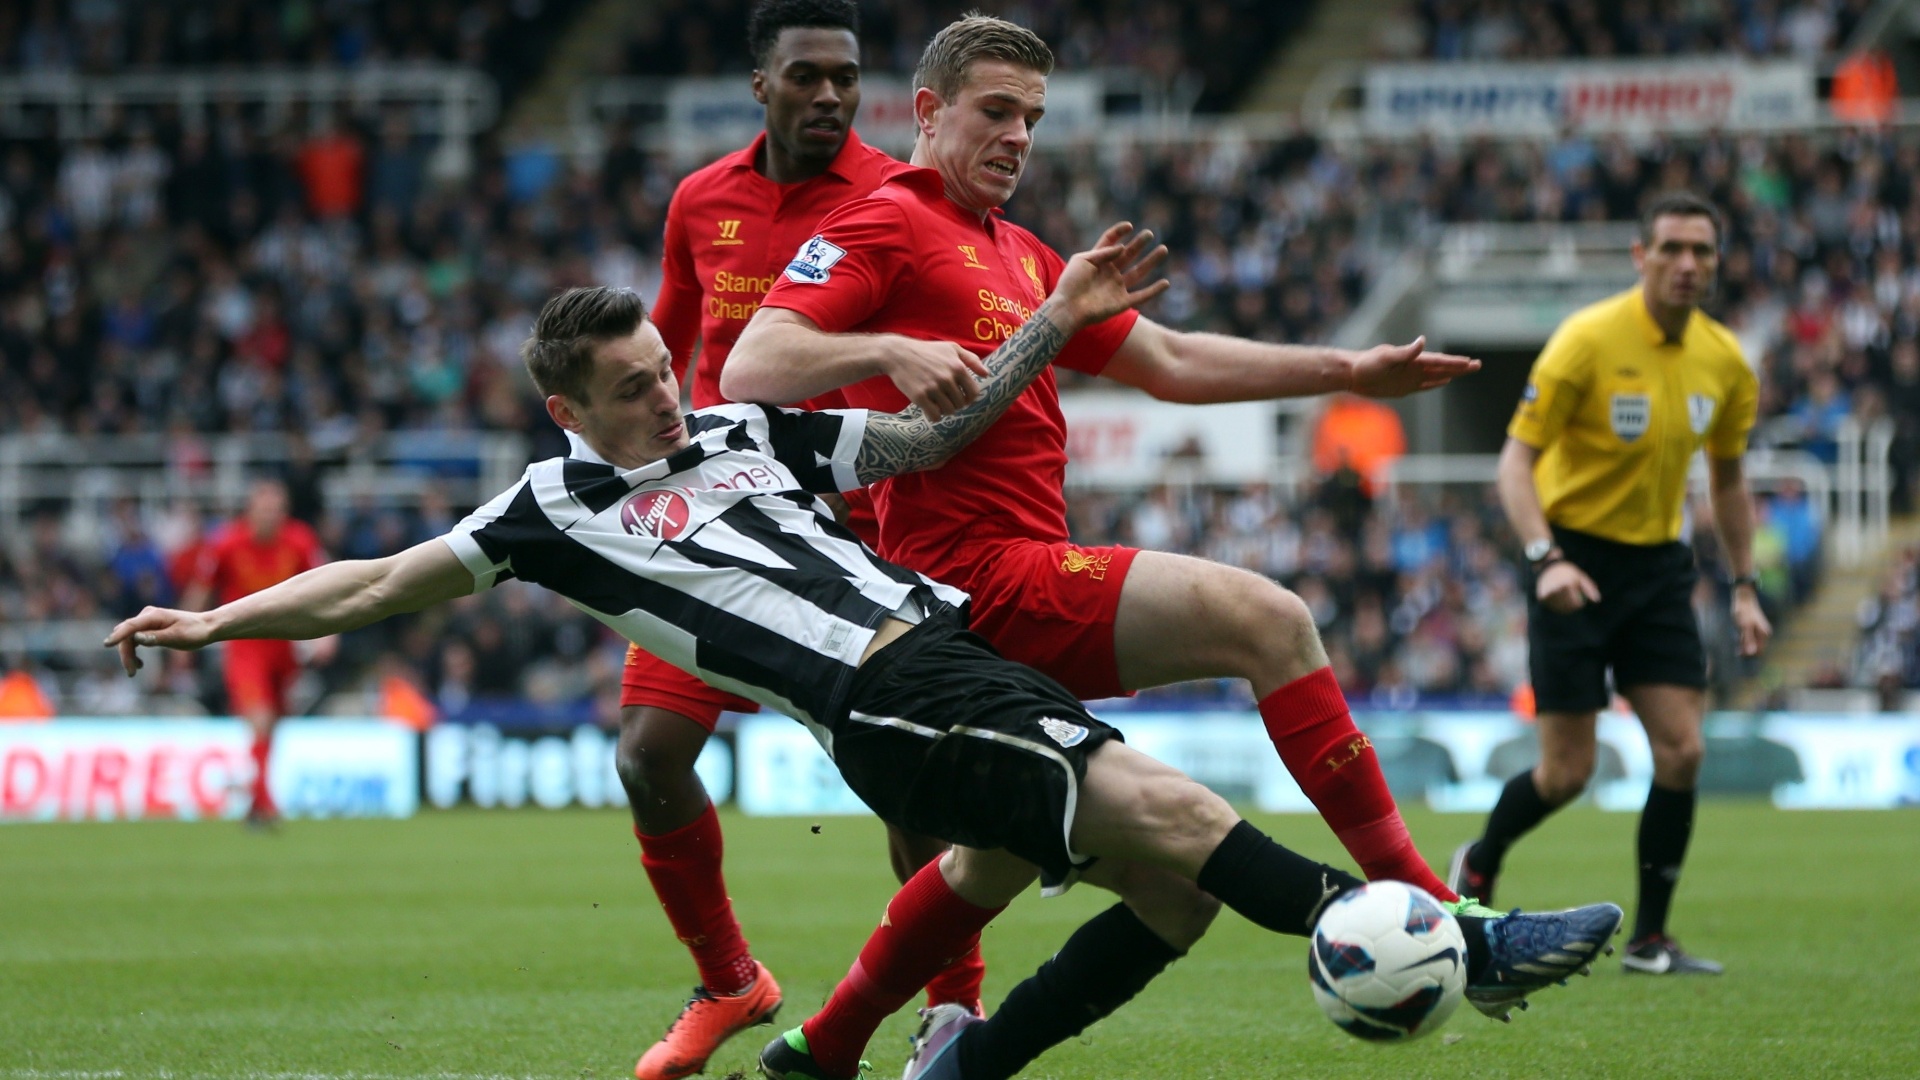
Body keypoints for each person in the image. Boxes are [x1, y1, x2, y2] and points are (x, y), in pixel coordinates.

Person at [111, 265, 1620, 1080]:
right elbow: (375, 583)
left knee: (1168, 895)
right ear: (567, 401)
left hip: (943, 652)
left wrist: (1045, 326)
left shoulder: (745, 436)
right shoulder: (543, 513)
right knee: (1162, 812)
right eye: (632, 382)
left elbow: (928, 442)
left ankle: (951, 1068)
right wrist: (213, 625)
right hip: (883, 695)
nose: (666, 386)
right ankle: (1424, 940)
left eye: (664, 363)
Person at [720, 15, 1486, 1067]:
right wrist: (893, 345)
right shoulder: (883, 220)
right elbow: (754, 363)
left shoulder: (1022, 252)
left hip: (990, 589)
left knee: (1148, 891)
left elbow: (1168, 360)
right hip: (970, 574)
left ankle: (857, 1045)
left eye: (1031, 119)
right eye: (995, 112)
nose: (1018, 137)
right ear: (929, 113)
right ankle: (1443, 910)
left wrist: (1347, 372)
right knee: (1266, 618)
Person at [613, 3, 982, 1075]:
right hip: (723, 520)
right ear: (760, 86)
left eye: (846, 77)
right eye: (807, 76)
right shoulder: (701, 201)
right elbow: (668, 342)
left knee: (905, 790)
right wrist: (633, 458)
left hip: (858, 530)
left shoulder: (897, 197)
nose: (829, 95)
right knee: (648, 756)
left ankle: (952, 1008)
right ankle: (731, 981)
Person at [1445, 192, 1771, 977]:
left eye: (1703, 252)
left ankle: (1651, 940)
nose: (1688, 265)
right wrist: (1543, 557)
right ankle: (1480, 862)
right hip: (1573, 559)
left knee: (1684, 750)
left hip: (1659, 566)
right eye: (1672, 249)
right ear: (1641, 256)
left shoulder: (1725, 361)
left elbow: (1728, 482)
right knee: (1567, 773)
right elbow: (1515, 462)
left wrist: (1746, 584)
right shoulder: (1586, 341)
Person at [181, 477, 333, 827]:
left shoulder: (300, 540)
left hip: (285, 646)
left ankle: (254, 801)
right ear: (250, 511)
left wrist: (328, 635)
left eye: (277, 510)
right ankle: (266, 805)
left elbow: (325, 584)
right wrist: (184, 636)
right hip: (245, 647)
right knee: (260, 719)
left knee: (273, 725)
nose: (270, 516)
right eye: (264, 509)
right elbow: (201, 589)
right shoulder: (226, 543)